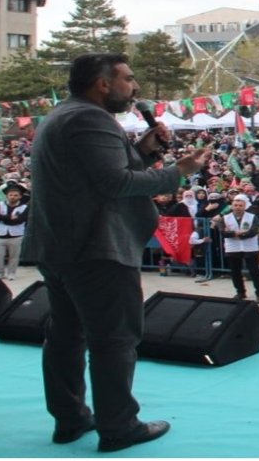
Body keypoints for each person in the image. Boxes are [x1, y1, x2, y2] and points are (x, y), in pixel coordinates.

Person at [24, 53, 209, 452]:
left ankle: (71, 420)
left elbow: (94, 177)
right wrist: (178, 171)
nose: (135, 87)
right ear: (103, 83)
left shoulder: (63, 116)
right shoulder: (90, 119)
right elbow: (114, 184)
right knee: (114, 339)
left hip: (61, 246)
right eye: (127, 79)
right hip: (96, 248)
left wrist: (143, 150)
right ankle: (119, 426)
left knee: (67, 335)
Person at [219, 194, 259, 303]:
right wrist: (235, 233)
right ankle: (240, 292)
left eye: (240, 205)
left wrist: (238, 235)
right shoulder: (225, 218)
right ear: (232, 206)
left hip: (250, 248)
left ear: (244, 206)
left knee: (254, 271)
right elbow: (223, 232)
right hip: (232, 248)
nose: (238, 207)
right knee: (235, 271)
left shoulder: (252, 217)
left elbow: (253, 231)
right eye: (235, 205)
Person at [0, 181, 28, 280]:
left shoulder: (24, 207)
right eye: (10, 195)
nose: (13, 197)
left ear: (20, 196)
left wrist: (3, 218)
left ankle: (12, 273)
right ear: (7, 195)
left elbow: (20, 220)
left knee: (14, 256)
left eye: (15, 195)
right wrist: (9, 218)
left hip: (16, 235)